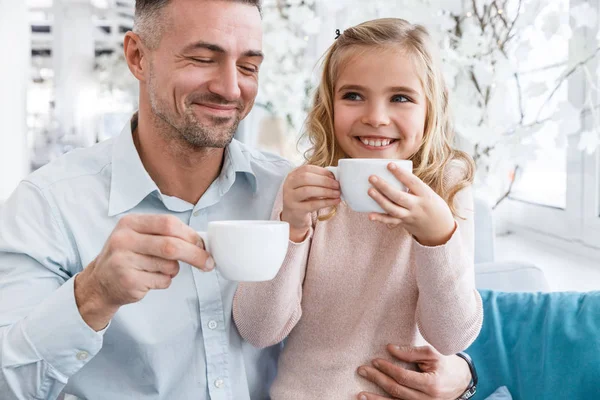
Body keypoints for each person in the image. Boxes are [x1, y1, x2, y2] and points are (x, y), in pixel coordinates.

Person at [0, 1, 475, 399]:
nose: (230, 88)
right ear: (138, 56)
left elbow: (436, 318)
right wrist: (93, 296)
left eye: (248, 66)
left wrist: (465, 376)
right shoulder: (49, 206)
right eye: (203, 59)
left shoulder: (290, 186)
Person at [233, 18, 483, 399]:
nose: (376, 117)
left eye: (400, 97)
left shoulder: (448, 191)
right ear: (328, 105)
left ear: (430, 108)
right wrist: (292, 227)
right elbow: (259, 329)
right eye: (353, 96)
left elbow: (452, 337)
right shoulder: (306, 191)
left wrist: (437, 237)